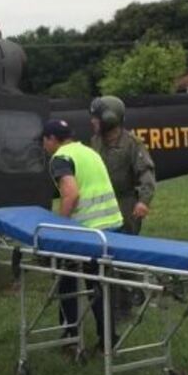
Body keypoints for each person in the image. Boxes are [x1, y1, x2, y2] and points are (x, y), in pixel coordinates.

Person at [41, 118, 123, 352]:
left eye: (44, 141)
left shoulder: (61, 158)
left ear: (51, 139)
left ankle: (70, 336)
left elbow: (71, 194)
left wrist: (58, 226)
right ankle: (108, 339)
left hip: (87, 231)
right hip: (111, 227)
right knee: (99, 285)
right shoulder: (89, 152)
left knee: (66, 280)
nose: (44, 146)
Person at [88, 95, 156, 320]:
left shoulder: (132, 144)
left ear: (109, 118)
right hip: (101, 205)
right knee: (103, 254)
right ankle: (107, 301)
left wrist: (143, 202)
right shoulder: (95, 142)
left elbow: (146, 173)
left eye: (96, 117)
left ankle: (126, 304)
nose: (93, 121)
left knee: (124, 255)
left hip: (125, 205)